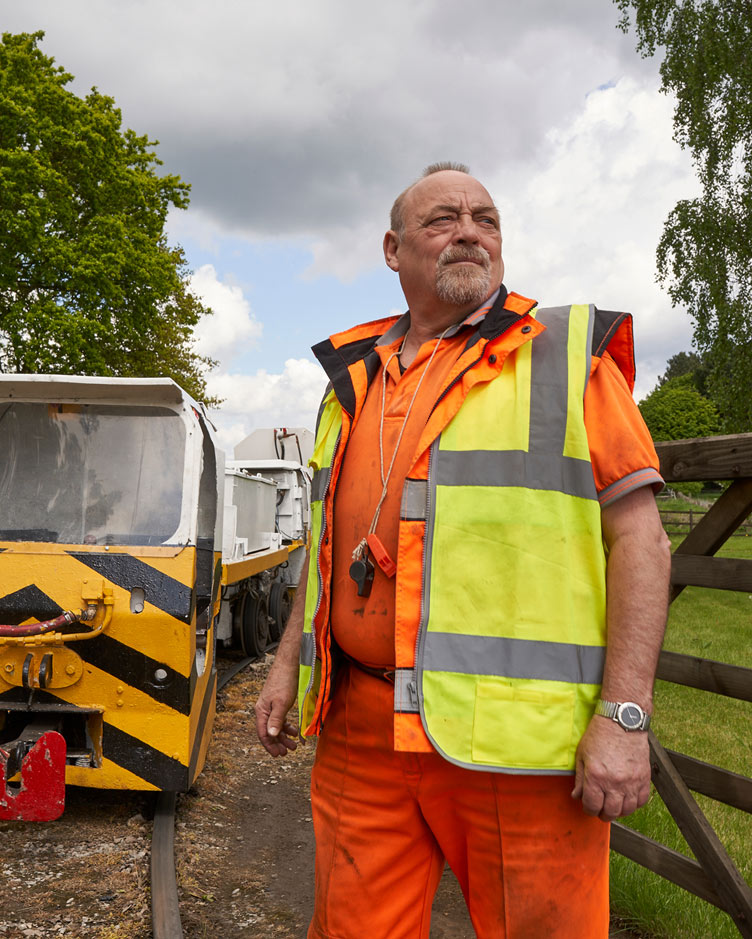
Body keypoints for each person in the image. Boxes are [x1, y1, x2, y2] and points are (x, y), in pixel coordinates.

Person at [253, 162, 672, 938]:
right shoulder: (352, 381)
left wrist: (625, 716)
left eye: (487, 218)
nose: (471, 231)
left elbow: (641, 540)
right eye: (444, 219)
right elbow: (327, 547)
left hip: (517, 750)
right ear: (393, 248)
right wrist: (287, 663)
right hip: (362, 729)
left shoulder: (561, 359)